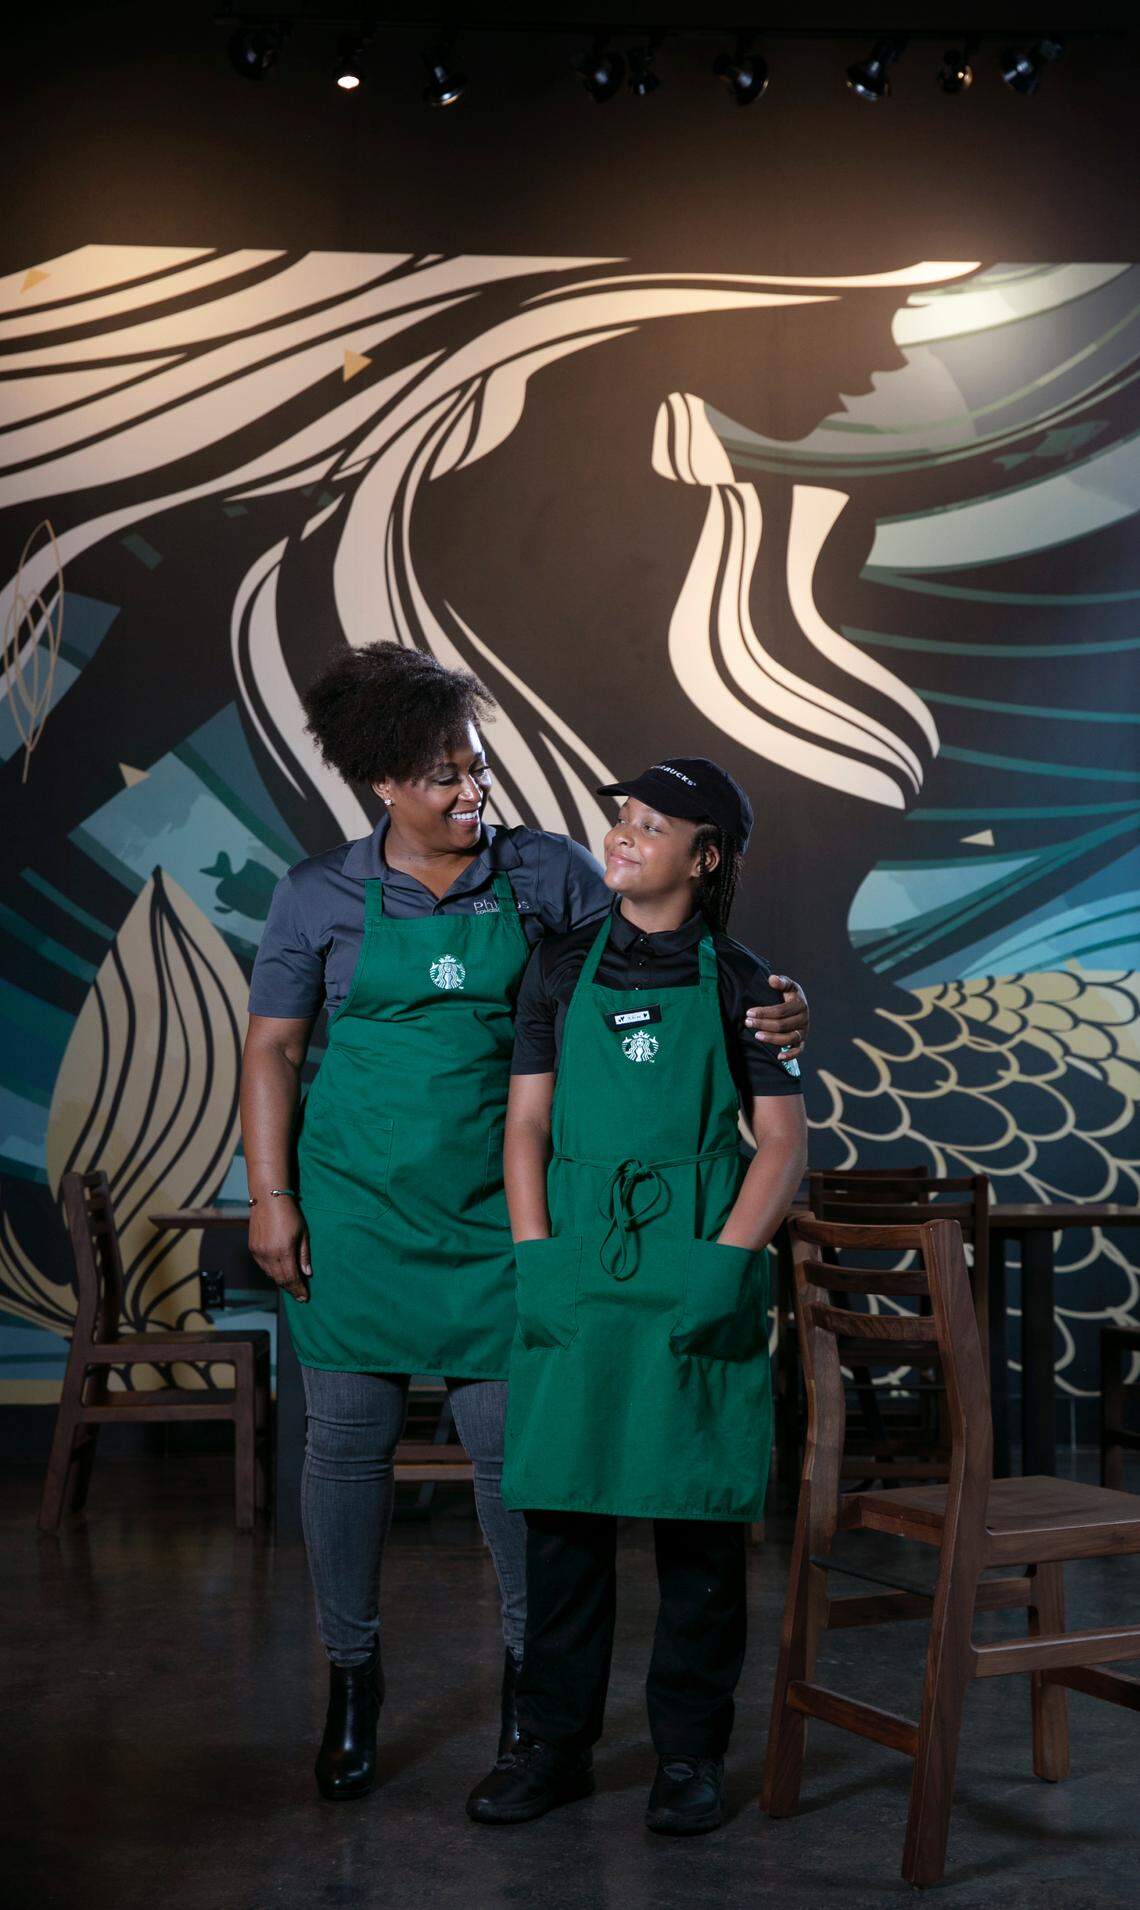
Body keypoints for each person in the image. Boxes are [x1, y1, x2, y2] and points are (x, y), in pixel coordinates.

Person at [241, 650, 810, 1803]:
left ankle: (532, 1704)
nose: (473, 791)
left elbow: (654, 953)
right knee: (344, 1450)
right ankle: (351, 1679)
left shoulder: (545, 872)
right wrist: (271, 1193)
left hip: (507, 1223)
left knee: (525, 1468)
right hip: (353, 1214)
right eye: (444, 775)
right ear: (382, 783)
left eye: (478, 767)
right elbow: (274, 1049)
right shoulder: (316, 893)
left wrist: (782, 1005)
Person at [466, 758, 807, 1835]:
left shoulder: (748, 983)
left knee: (697, 1526)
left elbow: (783, 1143)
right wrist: (536, 1253)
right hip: (578, 1260)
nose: (622, 834)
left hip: (696, 1260)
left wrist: (726, 1263)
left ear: (706, 857)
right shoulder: (557, 967)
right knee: (563, 1521)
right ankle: (551, 1747)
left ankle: (689, 1756)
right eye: (621, 816)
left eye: (652, 824)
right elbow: (526, 1123)